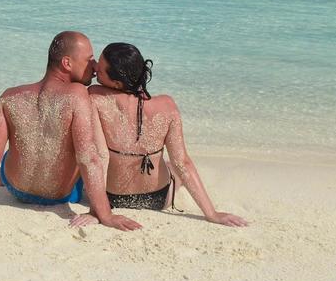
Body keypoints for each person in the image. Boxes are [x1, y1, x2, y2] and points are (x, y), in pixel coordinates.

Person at [0, 31, 141, 231]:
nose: (94, 66)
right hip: (61, 194)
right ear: (67, 63)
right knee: (86, 150)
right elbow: (87, 158)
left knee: (13, 151)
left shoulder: (9, 97)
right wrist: (106, 215)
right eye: (89, 59)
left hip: (16, 189)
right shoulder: (78, 94)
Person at [83, 42, 248, 228]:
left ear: (116, 83)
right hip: (158, 198)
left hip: (112, 197)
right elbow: (183, 163)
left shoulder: (95, 97)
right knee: (174, 167)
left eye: (101, 69)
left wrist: (97, 211)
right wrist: (212, 214)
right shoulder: (167, 105)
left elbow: (100, 157)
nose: (95, 66)